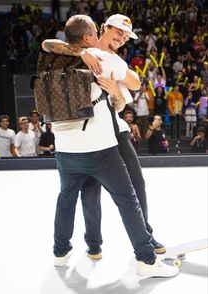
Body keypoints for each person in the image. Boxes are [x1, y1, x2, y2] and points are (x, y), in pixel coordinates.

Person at [42, 14, 178, 278]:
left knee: (132, 186)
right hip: (96, 137)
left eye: (127, 35)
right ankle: (102, 246)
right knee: (104, 194)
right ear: (100, 30)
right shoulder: (91, 55)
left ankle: (144, 237)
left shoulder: (102, 58)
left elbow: (121, 100)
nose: (123, 37)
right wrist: (82, 53)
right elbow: (137, 83)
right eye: (119, 31)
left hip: (104, 132)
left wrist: (115, 91)